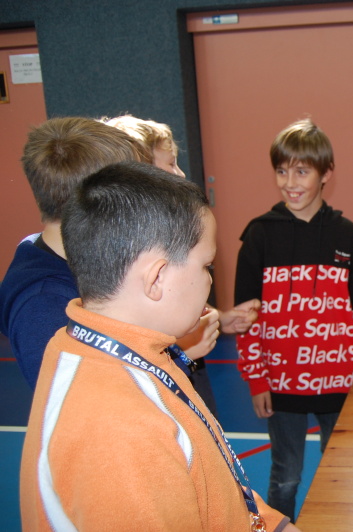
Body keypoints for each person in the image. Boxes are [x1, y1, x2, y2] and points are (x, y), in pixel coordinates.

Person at [19, 161, 298, 531]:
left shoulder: (129, 350)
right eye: (207, 266)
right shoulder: (118, 430)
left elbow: (210, 486)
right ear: (157, 277)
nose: (209, 280)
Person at [0, 117, 220, 390]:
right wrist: (178, 353)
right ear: (96, 199)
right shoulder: (41, 304)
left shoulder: (100, 261)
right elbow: (86, 398)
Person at [234, 118, 353, 521]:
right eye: (282, 171)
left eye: (302, 172)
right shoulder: (259, 235)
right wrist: (257, 379)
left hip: (340, 383)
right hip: (281, 385)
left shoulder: (347, 235)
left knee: (341, 474)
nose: (289, 183)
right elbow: (245, 318)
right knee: (286, 478)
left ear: (326, 174)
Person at [104, 113, 260, 414]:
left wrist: (220, 318)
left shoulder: (163, 237)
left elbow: (178, 300)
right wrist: (183, 355)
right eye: (171, 163)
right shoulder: (131, 261)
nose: (180, 173)